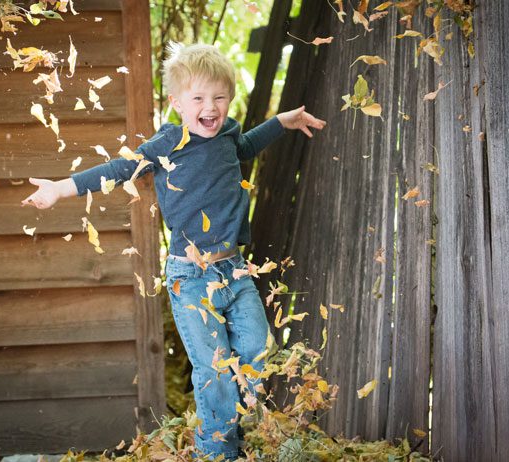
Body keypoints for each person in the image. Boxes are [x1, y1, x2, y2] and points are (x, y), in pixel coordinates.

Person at [22, 43, 325, 460]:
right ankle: (218, 452)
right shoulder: (167, 144)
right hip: (190, 278)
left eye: (219, 97)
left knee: (258, 348)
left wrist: (281, 122)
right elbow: (118, 170)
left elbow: (246, 147)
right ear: (177, 103)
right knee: (214, 370)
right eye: (199, 98)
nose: (210, 107)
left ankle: (241, 421)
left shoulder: (228, 135)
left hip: (234, 271)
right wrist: (60, 188)